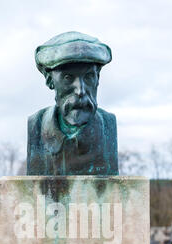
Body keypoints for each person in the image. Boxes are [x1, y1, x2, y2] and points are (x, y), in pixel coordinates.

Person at [27, 31, 118, 176]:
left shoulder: (108, 125)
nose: (80, 91)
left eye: (89, 77)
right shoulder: (36, 126)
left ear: (98, 78)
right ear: (50, 81)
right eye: (68, 78)